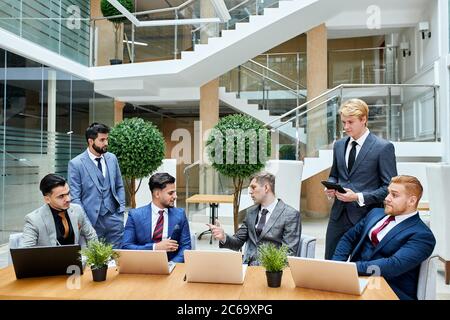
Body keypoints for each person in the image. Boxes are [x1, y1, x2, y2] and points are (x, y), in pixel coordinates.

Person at [332, 175, 436, 300]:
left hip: (389, 290)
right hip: (354, 281)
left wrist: (350, 269)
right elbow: (348, 238)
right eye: (388, 193)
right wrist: (336, 266)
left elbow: (393, 265)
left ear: (412, 201)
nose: (387, 198)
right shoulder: (375, 213)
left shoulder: (422, 235)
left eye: (394, 195)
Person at [324, 98, 397, 259]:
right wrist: (331, 186)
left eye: (350, 122)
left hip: (366, 217)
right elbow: (335, 174)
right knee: (330, 265)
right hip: (338, 216)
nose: (345, 127)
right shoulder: (339, 145)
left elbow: (389, 189)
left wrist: (357, 197)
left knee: (361, 269)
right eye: (343, 122)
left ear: (363, 119)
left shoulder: (383, 147)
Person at [208, 171, 301, 266]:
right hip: (247, 268)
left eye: (253, 187)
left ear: (266, 188)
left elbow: (288, 254)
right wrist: (223, 237)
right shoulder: (251, 212)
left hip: (272, 272)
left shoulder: (290, 215)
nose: (250, 191)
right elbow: (238, 241)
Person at [68, 122, 125, 248]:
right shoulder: (76, 164)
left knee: (118, 257)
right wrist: (85, 222)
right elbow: (75, 197)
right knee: (96, 261)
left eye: (107, 139)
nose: (106, 143)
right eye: (102, 140)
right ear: (90, 141)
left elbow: (119, 185)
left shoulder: (112, 158)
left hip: (114, 218)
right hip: (92, 221)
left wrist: (120, 210)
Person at [121, 173, 191, 263]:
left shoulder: (180, 214)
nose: (175, 196)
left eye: (175, 192)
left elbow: (186, 247)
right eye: (170, 193)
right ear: (157, 194)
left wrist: (171, 265)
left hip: (172, 267)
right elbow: (126, 247)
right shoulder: (135, 215)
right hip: (143, 266)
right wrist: (155, 247)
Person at [21, 174, 97, 247]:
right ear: (47, 199)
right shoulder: (34, 219)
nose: (68, 199)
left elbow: (91, 236)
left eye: (68, 193)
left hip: (75, 259)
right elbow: (25, 251)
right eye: (61, 196)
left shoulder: (77, 210)